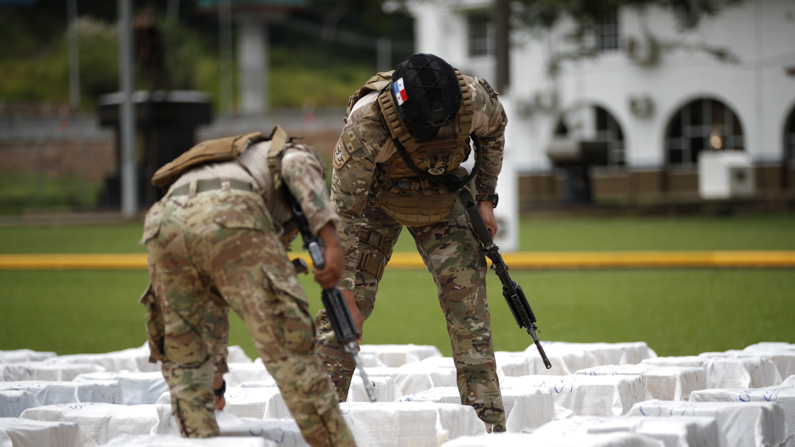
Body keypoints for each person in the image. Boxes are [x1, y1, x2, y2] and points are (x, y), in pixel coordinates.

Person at [314, 53, 508, 432]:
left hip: (441, 194)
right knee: (341, 320)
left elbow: (494, 133)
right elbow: (342, 219)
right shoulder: (367, 124)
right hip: (374, 199)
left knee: (470, 309)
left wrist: (486, 199)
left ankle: (490, 429)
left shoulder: (474, 100)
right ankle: (318, 427)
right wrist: (347, 298)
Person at [139, 126, 357, 446]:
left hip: (163, 222)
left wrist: (215, 385)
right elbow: (298, 169)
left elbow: (212, 310)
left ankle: (200, 436)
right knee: (291, 357)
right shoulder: (291, 151)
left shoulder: (228, 161)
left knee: (183, 357)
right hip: (232, 210)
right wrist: (331, 243)